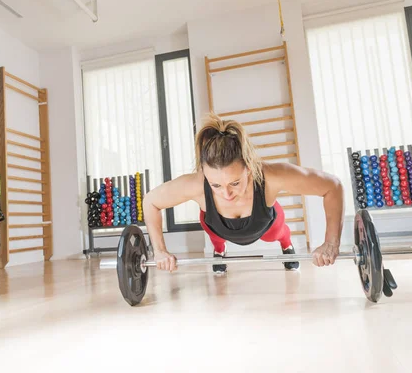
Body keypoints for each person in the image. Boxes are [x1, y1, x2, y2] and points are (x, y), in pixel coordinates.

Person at [142, 114, 345, 272]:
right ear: (204, 173)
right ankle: (220, 250)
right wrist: (160, 251)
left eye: (235, 182)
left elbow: (332, 186)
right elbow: (151, 201)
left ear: (249, 167)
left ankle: (286, 243)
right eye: (216, 185)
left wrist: (331, 242)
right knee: (215, 235)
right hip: (218, 227)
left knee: (277, 233)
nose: (227, 194)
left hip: (263, 224)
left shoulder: (272, 176)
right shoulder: (195, 185)